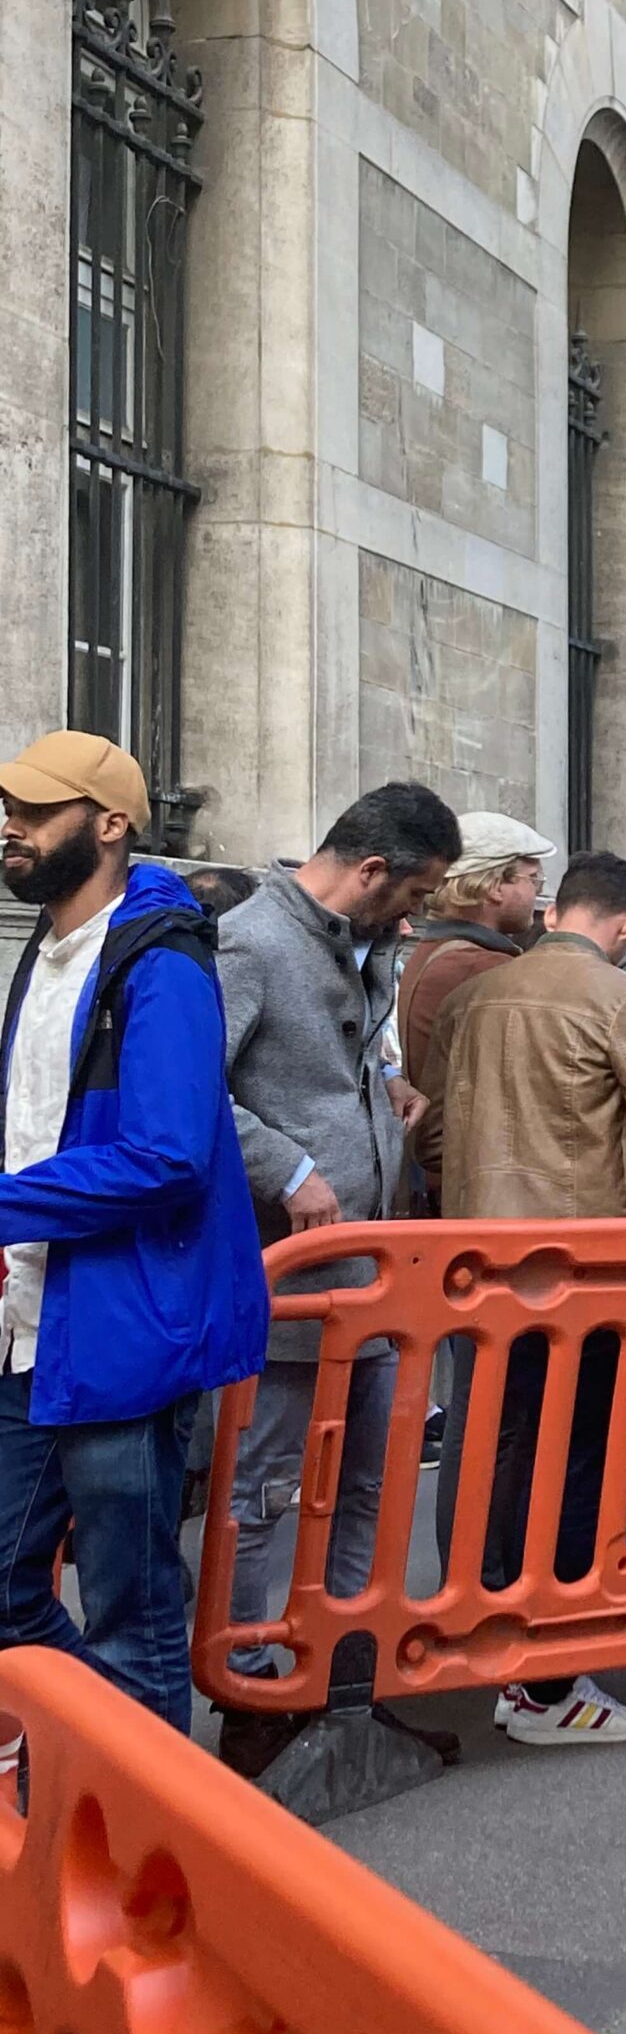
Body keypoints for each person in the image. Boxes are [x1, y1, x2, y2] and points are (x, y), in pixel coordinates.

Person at [0, 731, 268, 1733]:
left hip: (124, 1331)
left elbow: (165, 1156)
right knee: (16, 1594)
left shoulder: (162, 966)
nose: (11, 829)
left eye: (34, 811)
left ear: (110, 824)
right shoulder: (53, 945)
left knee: (131, 1610)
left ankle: (153, 1844)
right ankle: (106, 1759)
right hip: (38, 1323)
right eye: (10, 811)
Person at [215, 779, 462, 1776]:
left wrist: (390, 1082)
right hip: (291, 1276)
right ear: (370, 872)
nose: (417, 912)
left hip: (368, 1265)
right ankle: (250, 1697)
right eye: (415, 892)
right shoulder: (250, 941)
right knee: (266, 1489)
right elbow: (191, 1090)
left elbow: (343, 1061)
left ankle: (343, 1685)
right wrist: (291, 1167)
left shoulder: (368, 936)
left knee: (367, 1480)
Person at [430, 850, 626, 1746]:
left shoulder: (475, 997)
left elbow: (433, 1133)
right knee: (576, 1459)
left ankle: (490, 1632)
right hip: (579, 1268)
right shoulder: (624, 999)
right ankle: (548, 1680)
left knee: (496, 1449)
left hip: (475, 1256)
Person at [396, 811, 553, 1090]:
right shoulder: (482, 966)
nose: (537, 892)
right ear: (494, 887)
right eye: (532, 878)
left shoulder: (435, 950)